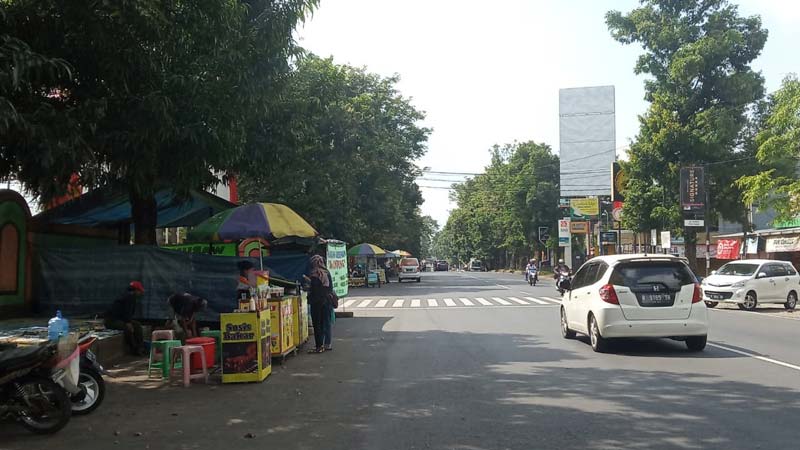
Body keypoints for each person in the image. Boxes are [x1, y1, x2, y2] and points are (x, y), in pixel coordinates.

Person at [105, 281, 146, 356]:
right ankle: (134, 349)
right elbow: (128, 311)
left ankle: (141, 347)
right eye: (139, 291)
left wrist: (129, 322)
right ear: (136, 290)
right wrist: (128, 323)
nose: (140, 293)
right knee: (127, 329)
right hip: (112, 321)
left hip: (120, 319)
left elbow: (127, 313)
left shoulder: (127, 295)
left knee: (137, 325)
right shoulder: (130, 296)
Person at [306, 254, 333, 353]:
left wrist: (309, 292)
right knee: (326, 323)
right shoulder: (327, 273)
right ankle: (327, 344)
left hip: (317, 303)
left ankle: (319, 346)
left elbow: (315, 290)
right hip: (327, 302)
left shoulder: (315, 275)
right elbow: (329, 288)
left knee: (317, 325)